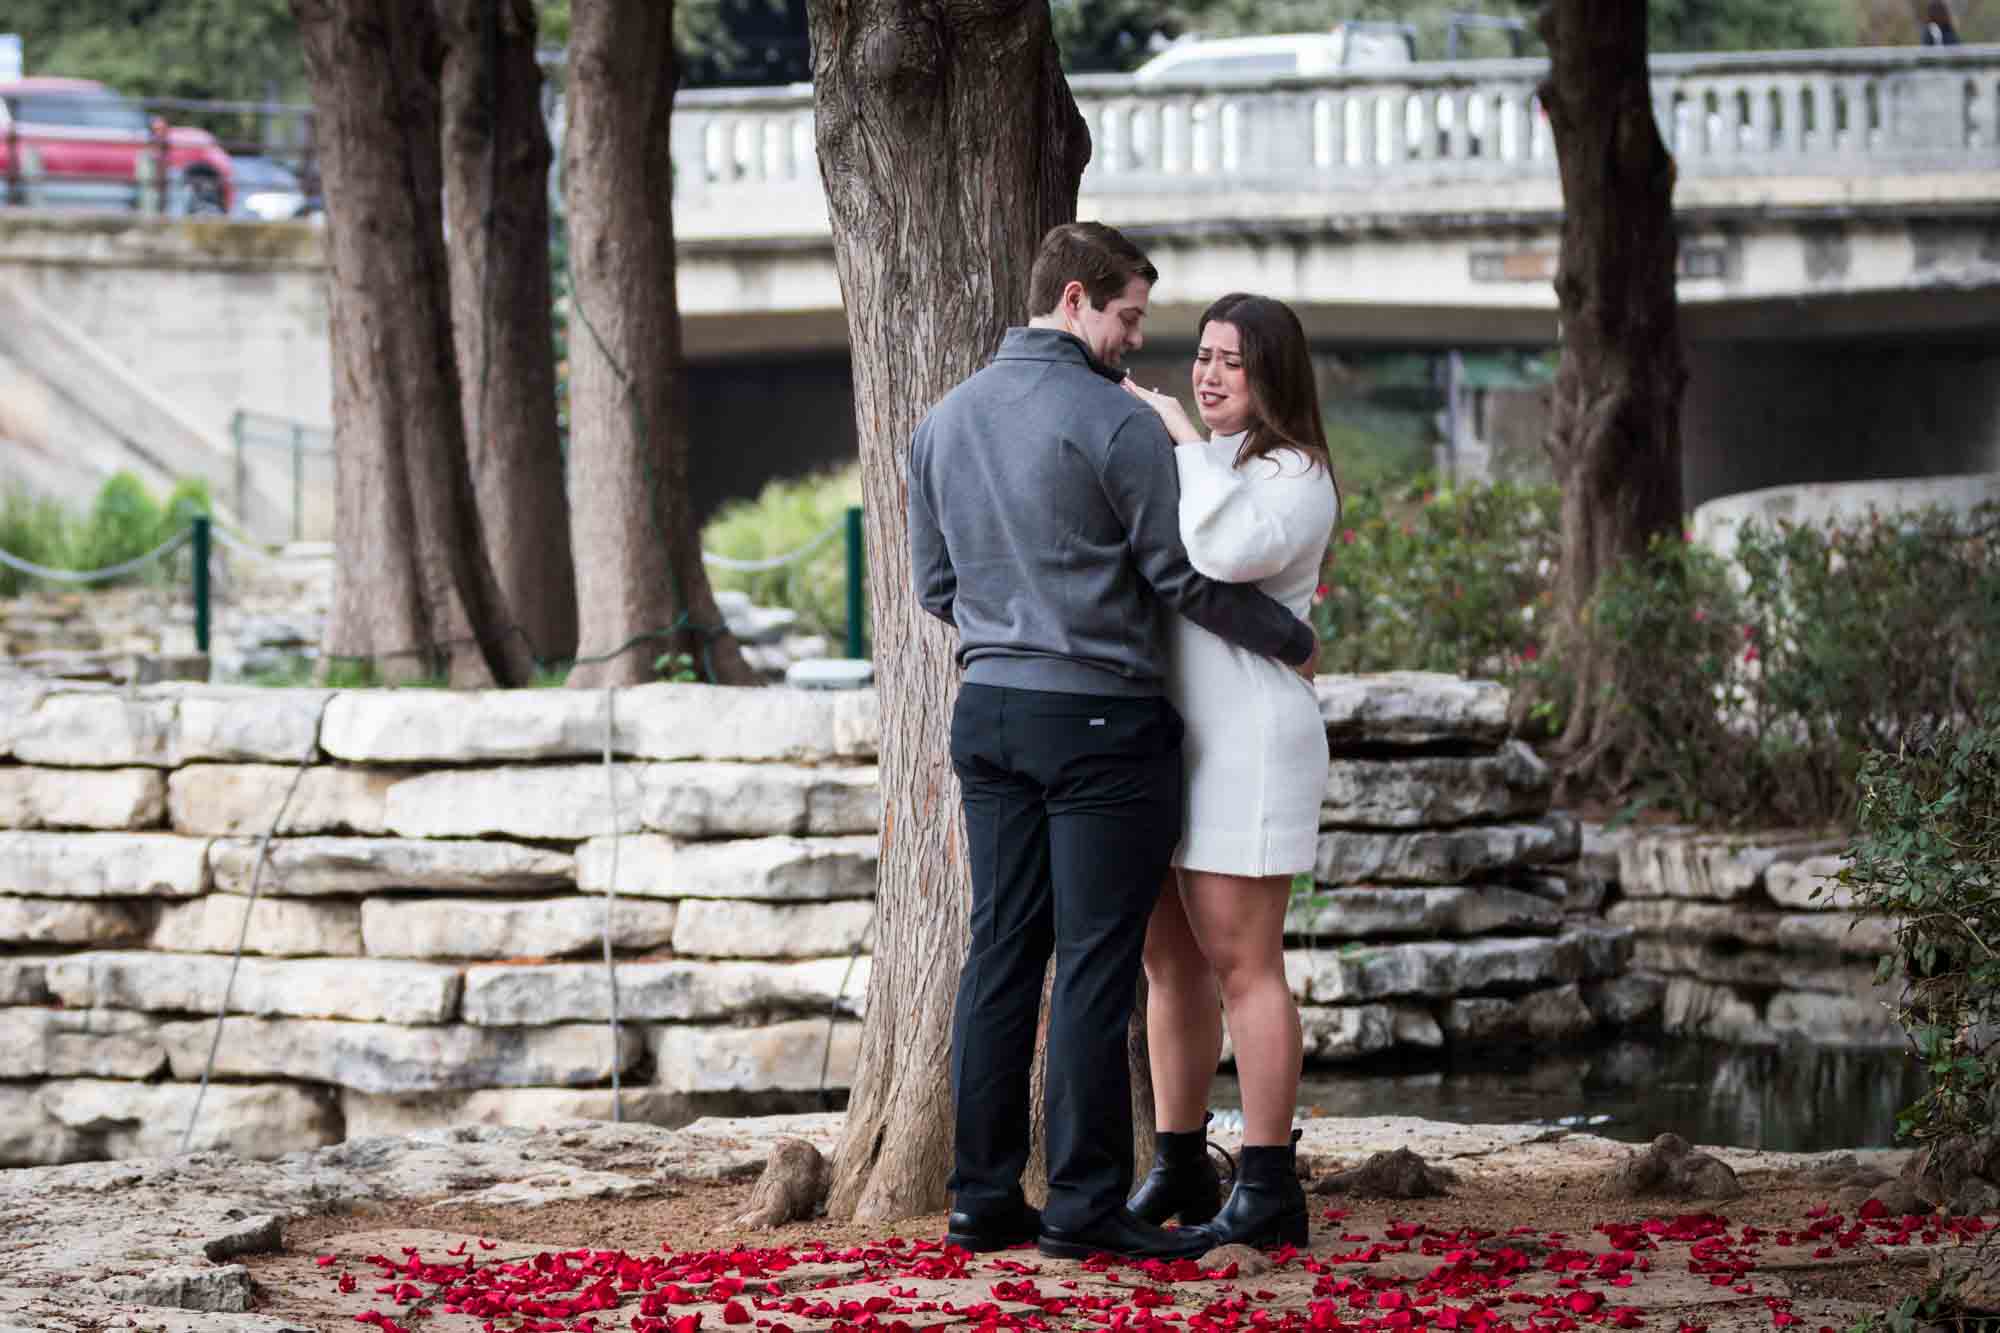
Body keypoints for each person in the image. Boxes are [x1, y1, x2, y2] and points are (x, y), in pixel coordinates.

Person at [908, 224, 1320, 1262]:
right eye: (1130, 316)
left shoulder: (944, 419)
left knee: (1001, 953)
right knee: (1095, 962)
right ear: (1080, 298)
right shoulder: (1113, 420)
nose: (1137, 341)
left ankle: (981, 1198)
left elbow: (934, 588)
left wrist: (1018, 627)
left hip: (987, 708)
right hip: (1098, 720)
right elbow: (1179, 577)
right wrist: (1289, 635)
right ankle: (1085, 1202)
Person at [1117, 294, 1341, 1251]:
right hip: (1176, 740)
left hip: (1249, 743)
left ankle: (1267, 1182)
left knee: (1246, 967)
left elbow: (1214, 550)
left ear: (1272, 376)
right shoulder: (1207, 462)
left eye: (1232, 363)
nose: (1208, 376)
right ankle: (1176, 1161)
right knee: (1168, 964)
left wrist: (1173, 432)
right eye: (1202, 356)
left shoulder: (1296, 474)